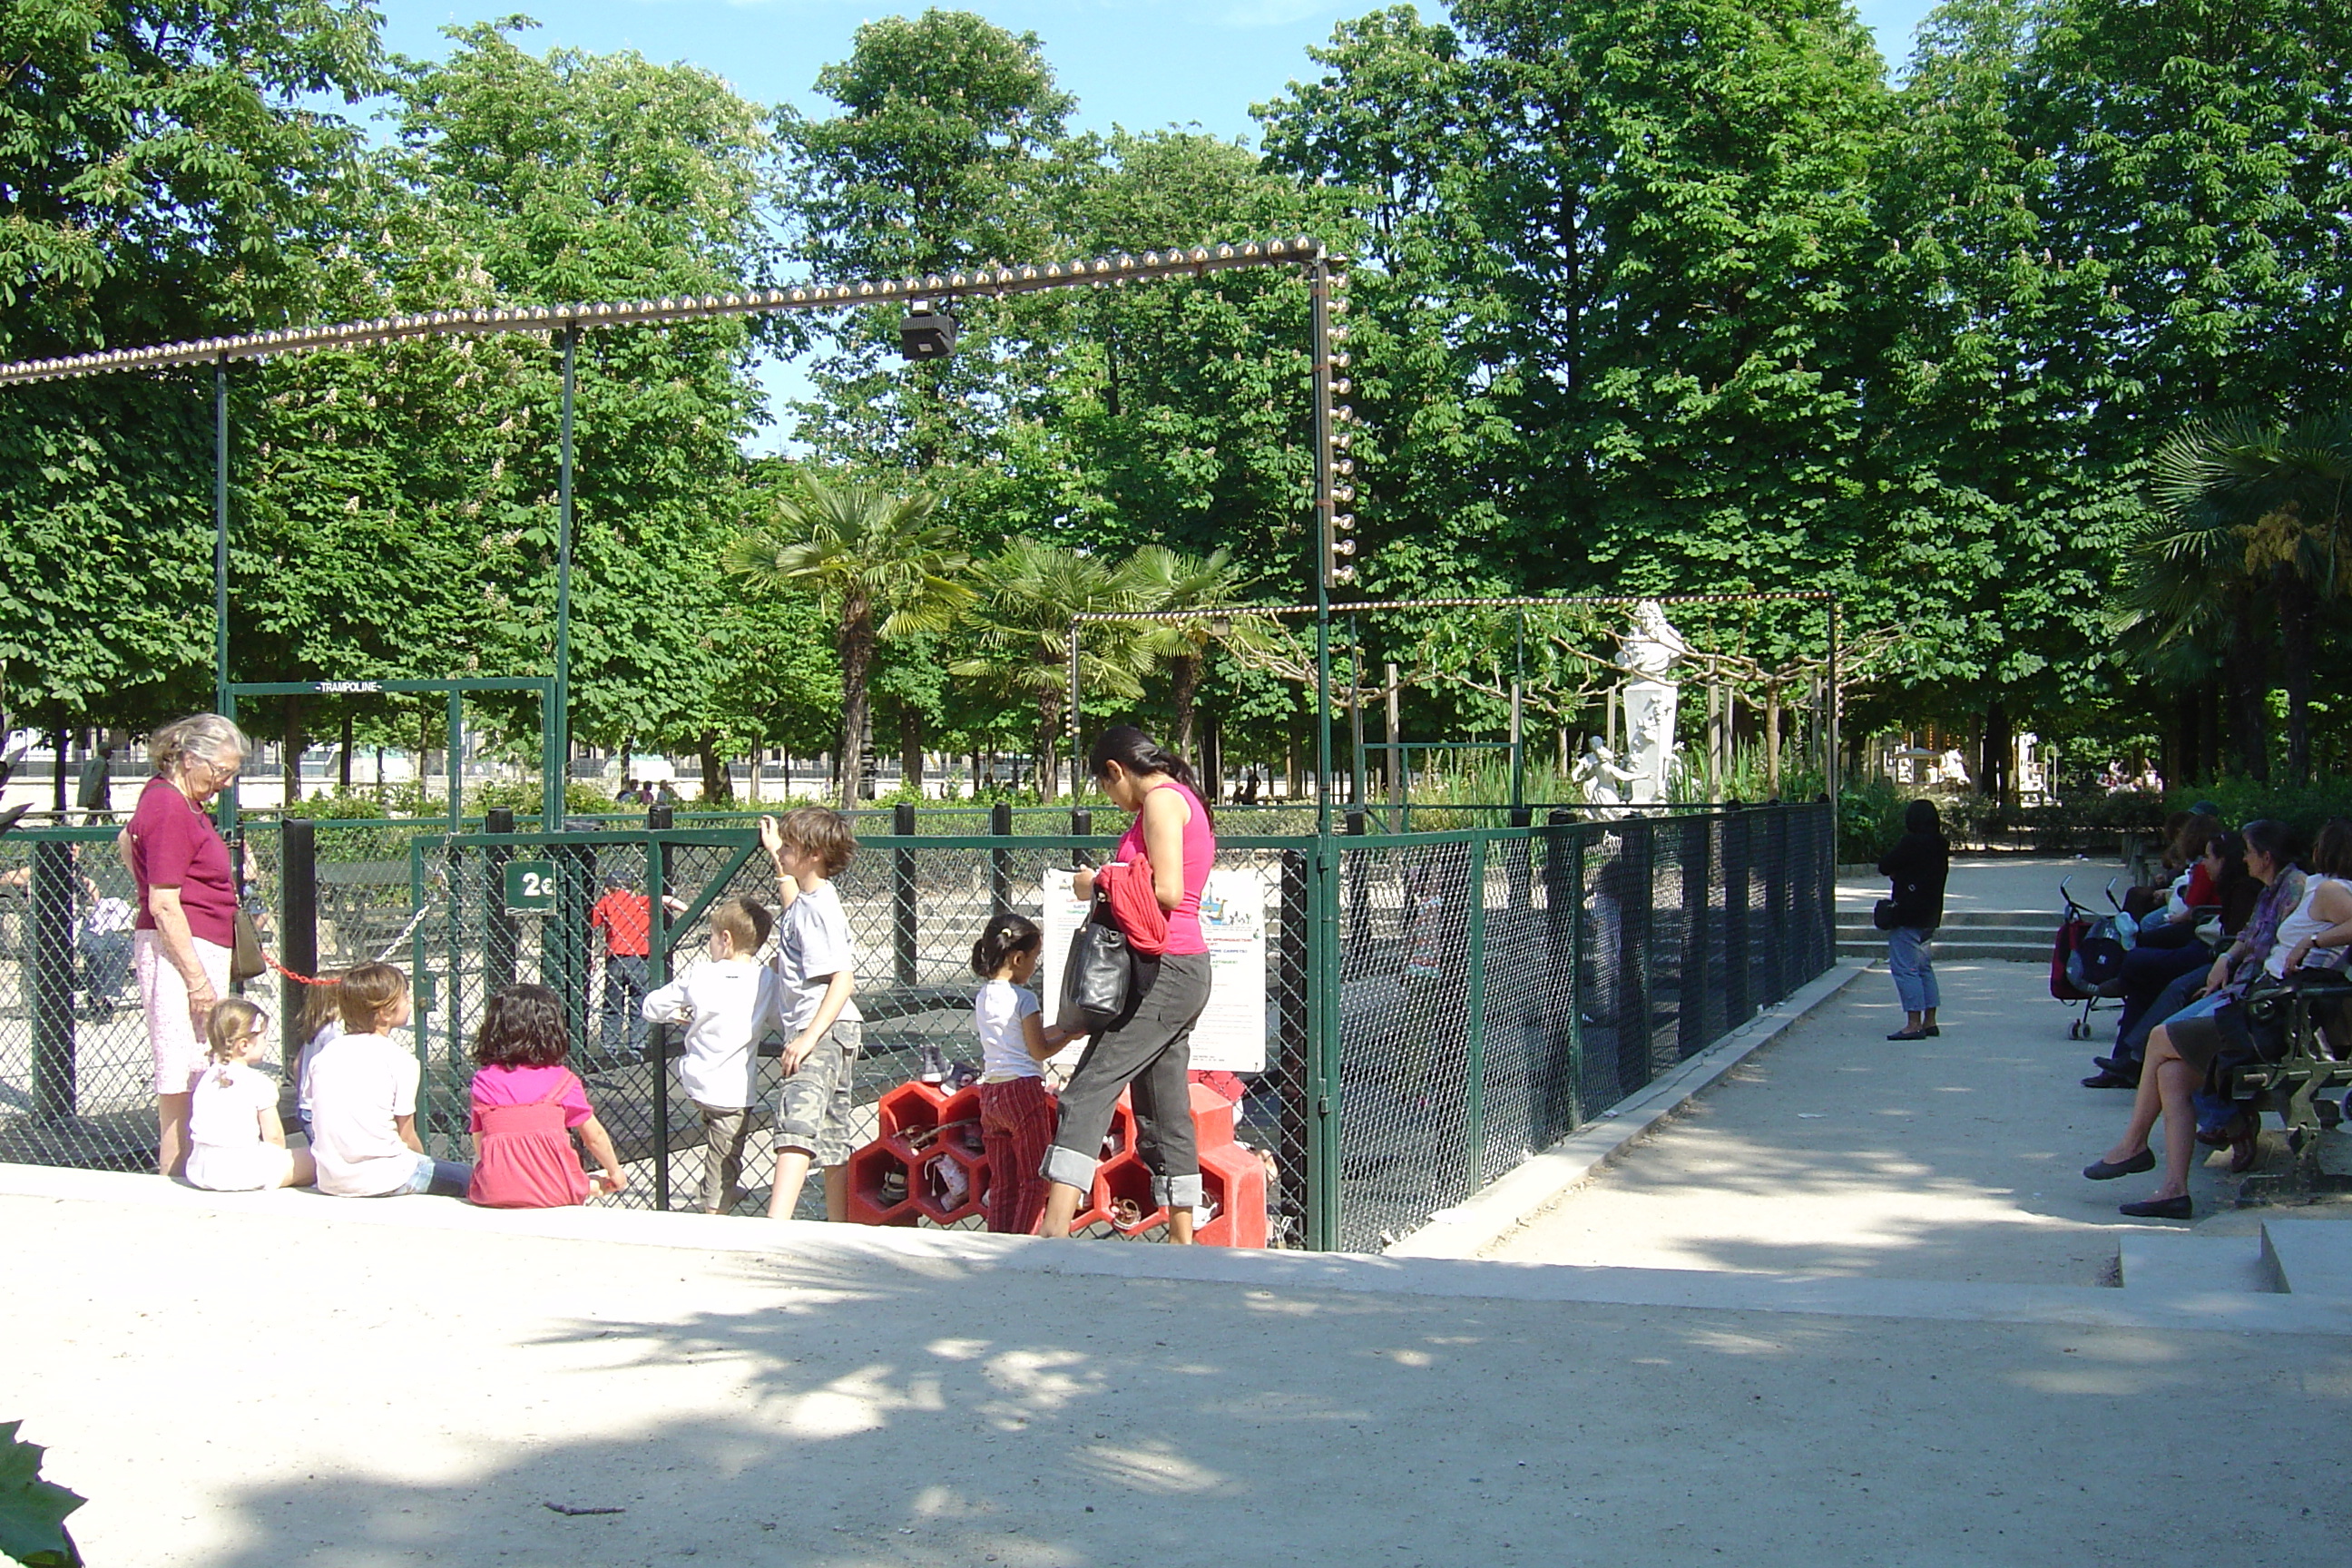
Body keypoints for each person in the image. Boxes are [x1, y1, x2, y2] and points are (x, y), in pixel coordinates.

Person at [2086, 818, 2344, 1218]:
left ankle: (2134, 1144)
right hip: (2268, 1009)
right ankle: (2173, 1190)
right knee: (2170, 1074)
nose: (2243, 858)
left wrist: (2312, 941)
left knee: (2160, 1038)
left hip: (2273, 1020)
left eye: (2248, 851)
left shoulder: (2327, 890)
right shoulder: (2317, 888)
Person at [1039, 727, 1217, 1243]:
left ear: (1116, 770)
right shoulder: (1179, 799)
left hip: (1165, 970)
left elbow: (1166, 890)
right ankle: (1185, 1239)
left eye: (1105, 786)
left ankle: (1053, 1230)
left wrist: (1096, 881)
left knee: (1089, 1088)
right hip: (1182, 970)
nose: (1110, 800)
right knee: (1162, 1104)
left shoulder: (1161, 801)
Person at [119, 713, 250, 1177]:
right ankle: (174, 1172)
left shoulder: (171, 802)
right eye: (221, 771)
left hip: (197, 942)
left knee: (197, 1065)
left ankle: (188, 1170)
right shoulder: (169, 806)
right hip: (182, 949)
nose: (225, 783)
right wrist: (196, 980)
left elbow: (124, 840)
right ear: (190, 759)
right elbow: (164, 902)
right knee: (182, 1071)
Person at [642, 896, 779, 1214]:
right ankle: (715, 1206)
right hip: (733, 1091)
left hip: (696, 1080)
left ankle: (718, 1187)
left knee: (716, 1143)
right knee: (726, 1153)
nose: (711, 945)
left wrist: (676, 1011)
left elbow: (652, 1006)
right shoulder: (764, 980)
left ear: (725, 940)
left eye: (712, 938)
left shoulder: (700, 974)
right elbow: (778, 1019)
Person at [758, 806, 862, 1220]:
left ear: (814, 853)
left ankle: (776, 1222)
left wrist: (807, 1037)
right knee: (834, 1131)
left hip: (820, 1027)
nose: (782, 849)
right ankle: (839, 1223)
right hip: (838, 1029)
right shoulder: (810, 900)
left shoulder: (818, 909)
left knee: (796, 1120)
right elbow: (793, 909)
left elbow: (842, 978)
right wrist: (775, 858)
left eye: (789, 845)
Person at [2086, 829, 2249, 1089]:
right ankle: (2124, 1061)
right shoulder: (2234, 884)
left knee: (2154, 972)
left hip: (2218, 953)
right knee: (2143, 965)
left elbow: (2244, 936)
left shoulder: (2247, 887)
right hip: (2212, 943)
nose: (2204, 862)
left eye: (2209, 857)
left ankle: (2131, 1055)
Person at [306, 962, 471, 1198]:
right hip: (386, 1177)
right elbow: (407, 1134)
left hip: (331, 1179)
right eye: (404, 997)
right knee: (467, 1176)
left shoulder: (325, 1055)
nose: (409, 1003)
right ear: (384, 1012)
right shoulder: (400, 1060)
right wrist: (422, 1162)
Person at [468, 982, 626, 1208]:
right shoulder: (563, 1081)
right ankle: (581, 1184)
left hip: (495, 1192)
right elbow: (594, 1137)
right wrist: (615, 1170)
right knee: (560, 1170)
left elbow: (480, 1141)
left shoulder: (484, 1081)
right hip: (555, 1192)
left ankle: (524, 1184)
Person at [969, 912, 1073, 1235]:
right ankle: (1023, 1244)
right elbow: (1038, 1049)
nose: (1034, 966)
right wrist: (1070, 1035)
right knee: (1033, 1179)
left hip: (992, 1094)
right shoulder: (1024, 998)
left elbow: (1024, 1037)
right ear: (1017, 958)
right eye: (1033, 959)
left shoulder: (984, 995)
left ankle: (998, 1241)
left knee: (1003, 1182)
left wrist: (1065, 1029)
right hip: (1023, 1091)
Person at [183, 998, 315, 1191]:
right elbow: (275, 1137)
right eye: (263, 1037)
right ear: (244, 1045)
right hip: (242, 1172)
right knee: (315, 1159)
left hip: (202, 1169)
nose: (266, 1042)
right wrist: (278, 1164)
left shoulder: (206, 1078)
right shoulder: (259, 1083)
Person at [1877, 799, 1947, 1040]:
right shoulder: (1941, 844)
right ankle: (1930, 1020)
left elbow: (1885, 865)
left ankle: (1913, 1023)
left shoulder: (1911, 843)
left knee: (1905, 968)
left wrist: (1900, 874)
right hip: (1931, 914)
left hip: (1907, 914)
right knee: (1924, 967)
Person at [589, 871, 652, 1063]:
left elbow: (592, 921)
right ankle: (637, 1045)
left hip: (616, 958)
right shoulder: (642, 901)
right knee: (639, 1002)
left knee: (612, 1005)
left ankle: (610, 1046)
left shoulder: (607, 901)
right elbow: (667, 900)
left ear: (608, 888)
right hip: (640, 958)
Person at [290, 975, 346, 1140]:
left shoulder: (314, 1030)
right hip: (323, 1111)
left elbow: (297, 1064)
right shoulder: (335, 1031)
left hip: (306, 1107)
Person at [75, 872, 135, 1013]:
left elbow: (97, 903)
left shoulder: (85, 881)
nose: (75, 850)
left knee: (126, 946)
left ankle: (109, 994)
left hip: (93, 927)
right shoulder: (43, 874)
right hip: (72, 929)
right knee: (96, 950)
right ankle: (97, 997)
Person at [74, 743, 113, 822]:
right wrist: (93, 799)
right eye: (109, 752)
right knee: (105, 819)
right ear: (105, 752)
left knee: (93, 818)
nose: (111, 755)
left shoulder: (91, 762)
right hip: (98, 798)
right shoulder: (101, 763)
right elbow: (97, 782)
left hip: (92, 797)